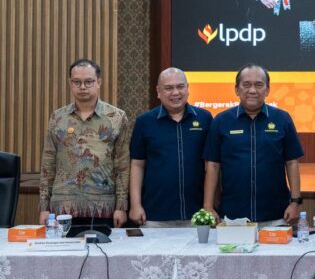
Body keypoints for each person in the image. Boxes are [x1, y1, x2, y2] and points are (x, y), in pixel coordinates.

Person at [203, 63, 304, 227]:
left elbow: (292, 162)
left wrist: (295, 202)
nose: (252, 90)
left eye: (258, 85)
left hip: (276, 214)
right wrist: (208, 206)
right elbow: (212, 165)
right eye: (246, 85)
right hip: (233, 215)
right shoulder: (221, 121)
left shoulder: (282, 119)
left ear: (267, 89)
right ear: (237, 89)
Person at [39, 59, 130, 228]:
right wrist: (44, 206)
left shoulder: (117, 117)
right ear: (70, 83)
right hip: (62, 205)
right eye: (77, 82)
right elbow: (48, 163)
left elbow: (122, 165)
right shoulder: (57, 117)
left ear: (98, 82)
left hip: (103, 206)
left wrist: (121, 206)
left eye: (88, 82)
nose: (82, 87)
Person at [129, 68, 213, 227]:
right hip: (155, 214)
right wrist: (135, 204)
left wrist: (211, 205)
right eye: (168, 88)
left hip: (198, 214)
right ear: (158, 91)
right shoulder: (144, 122)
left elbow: (212, 165)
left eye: (180, 86)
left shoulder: (205, 118)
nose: (175, 92)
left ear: (187, 88)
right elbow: (137, 164)